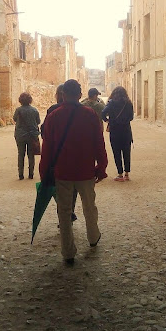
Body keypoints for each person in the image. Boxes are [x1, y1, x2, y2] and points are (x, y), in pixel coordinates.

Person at [40, 79, 107, 264]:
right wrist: (101, 166)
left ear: (63, 95)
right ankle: (93, 237)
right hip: (85, 171)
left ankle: (68, 252)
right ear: (79, 94)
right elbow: (98, 142)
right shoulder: (90, 115)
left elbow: (48, 148)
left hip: (63, 172)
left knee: (64, 211)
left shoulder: (53, 117)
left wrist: (44, 171)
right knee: (89, 206)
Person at [41, 84, 78, 224]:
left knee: (59, 189)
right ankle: (70, 211)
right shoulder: (81, 110)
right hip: (74, 156)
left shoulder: (52, 110)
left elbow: (44, 132)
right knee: (73, 189)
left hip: (57, 157)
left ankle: (63, 216)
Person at [102, 86, 134, 182]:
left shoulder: (111, 103)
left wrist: (108, 121)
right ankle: (127, 174)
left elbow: (103, 113)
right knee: (126, 152)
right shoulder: (128, 103)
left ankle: (120, 174)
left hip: (115, 131)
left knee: (117, 153)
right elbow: (131, 117)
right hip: (126, 131)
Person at [13, 92, 41, 180]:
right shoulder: (34, 110)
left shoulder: (18, 110)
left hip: (20, 135)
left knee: (21, 154)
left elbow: (14, 119)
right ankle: (31, 174)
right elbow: (38, 121)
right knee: (31, 155)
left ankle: (20, 174)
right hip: (31, 135)